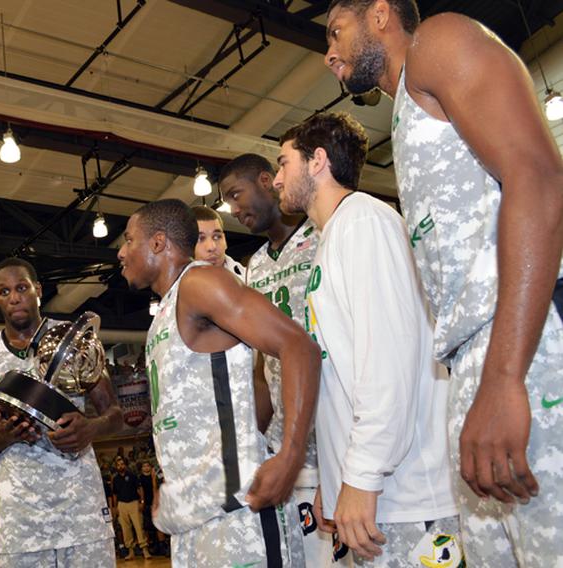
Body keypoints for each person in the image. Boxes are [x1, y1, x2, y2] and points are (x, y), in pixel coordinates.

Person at [324, 1, 563, 564]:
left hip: (525, 348)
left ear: (379, 13)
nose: (328, 54)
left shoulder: (438, 41)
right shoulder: (407, 110)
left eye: (336, 32)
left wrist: (504, 377)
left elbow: (538, 177)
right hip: (471, 362)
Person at [276, 111, 460, 564]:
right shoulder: (337, 234)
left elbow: (386, 363)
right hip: (377, 495)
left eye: (283, 163)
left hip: (405, 497)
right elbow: (345, 375)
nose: (277, 179)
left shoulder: (364, 222)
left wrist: (360, 477)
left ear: (317, 161)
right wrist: (336, 479)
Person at [117, 199, 321, 566]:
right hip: (196, 520)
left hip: (238, 515)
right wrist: (175, 482)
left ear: (159, 243)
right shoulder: (166, 308)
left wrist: (290, 455)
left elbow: (298, 346)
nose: (121, 252)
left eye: (129, 240)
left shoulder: (200, 282)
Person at [0, 257, 121, 567]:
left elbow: (114, 414)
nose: (14, 297)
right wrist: (2, 438)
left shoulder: (74, 341)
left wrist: (90, 428)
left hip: (81, 510)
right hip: (21, 522)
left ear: (37, 289)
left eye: (21, 288)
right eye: (4, 291)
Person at [220, 152, 330, 564]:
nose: (233, 209)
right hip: (287, 448)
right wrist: (259, 438)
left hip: (336, 428)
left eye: (236, 194)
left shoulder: (323, 234)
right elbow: (263, 370)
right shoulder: (256, 267)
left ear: (267, 181)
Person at [191, 205, 246, 278]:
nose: (212, 247)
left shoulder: (252, 279)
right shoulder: (177, 287)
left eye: (217, 237)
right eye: (200, 238)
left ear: (225, 240)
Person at [111, 456, 150, 560]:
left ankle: (144, 550)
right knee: (125, 529)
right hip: (121, 504)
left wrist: (142, 501)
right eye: (118, 465)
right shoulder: (115, 479)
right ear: (116, 467)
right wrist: (115, 507)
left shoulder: (132, 476)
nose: (120, 466)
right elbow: (114, 494)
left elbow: (140, 488)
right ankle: (131, 551)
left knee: (138, 526)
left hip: (134, 503)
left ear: (125, 465)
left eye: (122, 464)